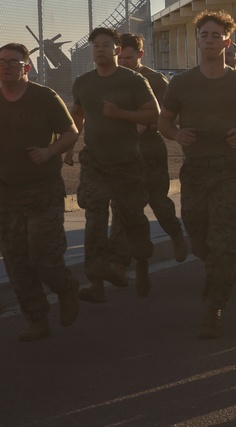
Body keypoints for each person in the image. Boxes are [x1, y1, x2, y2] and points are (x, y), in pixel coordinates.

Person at [158, 11, 236, 338]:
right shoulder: (182, 83)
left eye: (216, 35)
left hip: (229, 171)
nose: (209, 40)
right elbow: (164, 121)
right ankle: (215, 263)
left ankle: (213, 307)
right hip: (195, 173)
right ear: (197, 41)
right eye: (204, 35)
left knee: (222, 242)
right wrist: (177, 135)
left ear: (226, 42)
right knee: (199, 235)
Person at [66, 28, 158, 303]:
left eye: (106, 45)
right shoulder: (83, 82)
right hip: (95, 162)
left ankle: (140, 264)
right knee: (94, 219)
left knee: (131, 217)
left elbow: (153, 114)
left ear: (117, 49)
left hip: (127, 162)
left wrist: (120, 113)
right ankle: (96, 280)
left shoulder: (133, 80)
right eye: (96, 45)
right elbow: (78, 115)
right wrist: (69, 145)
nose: (100, 49)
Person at [0, 43, 80, 341]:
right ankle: (36, 318)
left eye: (13, 62)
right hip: (7, 192)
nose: (6, 66)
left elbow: (71, 132)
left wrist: (50, 152)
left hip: (42, 189)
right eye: (1, 61)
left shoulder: (44, 97)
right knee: (16, 259)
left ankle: (66, 288)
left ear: (27, 67)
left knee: (44, 255)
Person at [112, 33, 188, 264]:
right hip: (121, 151)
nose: (123, 62)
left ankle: (175, 233)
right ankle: (124, 262)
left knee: (158, 202)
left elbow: (171, 115)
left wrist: (147, 124)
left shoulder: (155, 80)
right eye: (119, 57)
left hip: (149, 148)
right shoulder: (112, 79)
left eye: (128, 58)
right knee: (121, 207)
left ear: (140, 55)